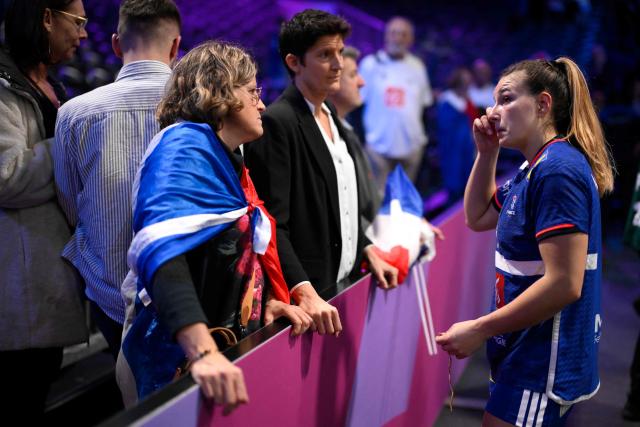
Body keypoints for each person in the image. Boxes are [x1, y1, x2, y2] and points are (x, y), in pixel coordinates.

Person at [116, 41, 312, 411]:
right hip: (178, 358)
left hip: (217, 345)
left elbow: (236, 245)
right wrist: (202, 350)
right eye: (253, 91)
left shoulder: (224, 154)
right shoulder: (183, 148)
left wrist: (269, 298)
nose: (262, 104)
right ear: (218, 91)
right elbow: (162, 251)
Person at [436, 57, 615, 426]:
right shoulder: (535, 165)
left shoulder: (557, 171)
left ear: (543, 104)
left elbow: (565, 284)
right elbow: (478, 216)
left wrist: (480, 328)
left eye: (504, 99)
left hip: (539, 364)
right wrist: (487, 153)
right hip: (521, 351)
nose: (492, 110)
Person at [244, 9, 399, 337]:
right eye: (325, 55)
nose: (338, 64)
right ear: (294, 62)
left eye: (340, 52)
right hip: (307, 301)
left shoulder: (331, 114)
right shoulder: (278, 121)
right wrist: (303, 289)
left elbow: (343, 205)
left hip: (340, 283)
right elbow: (272, 223)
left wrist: (367, 249)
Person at [53, 0, 182, 360]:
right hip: (191, 295)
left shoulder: (73, 113)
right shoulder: (205, 105)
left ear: (115, 44)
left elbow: (69, 202)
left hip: (109, 295)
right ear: (175, 46)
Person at [0, 0, 88, 421]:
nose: (84, 34)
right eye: (79, 22)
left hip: (45, 285)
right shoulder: (3, 86)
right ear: (47, 18)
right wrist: (73, 140)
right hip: (20, 293)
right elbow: (7, 177)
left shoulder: (48, 84)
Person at [359, 16, 434, 192]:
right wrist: (364, 141)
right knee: (376, 205)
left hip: (411, 149)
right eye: (394, 33)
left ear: (411, 39)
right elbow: (357, 104)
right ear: (386, 36)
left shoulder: (418, 67)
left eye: (403, 34)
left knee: (404, 204)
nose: (398, 38)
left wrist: (421, 142)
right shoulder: (370, 65)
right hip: (376, 150)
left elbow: (425, 106)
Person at [326, 45, 380, 230]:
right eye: (353, 75)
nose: (362, 82)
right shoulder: (328, 138)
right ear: (332, 82)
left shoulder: (348, 130)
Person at [437, 67, 477, 202]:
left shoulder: (468, 100)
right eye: (465, 82)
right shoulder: (447, 102)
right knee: (454, 181)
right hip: (452, 147)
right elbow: (445, 128)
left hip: (468, 146)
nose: (468, 85)